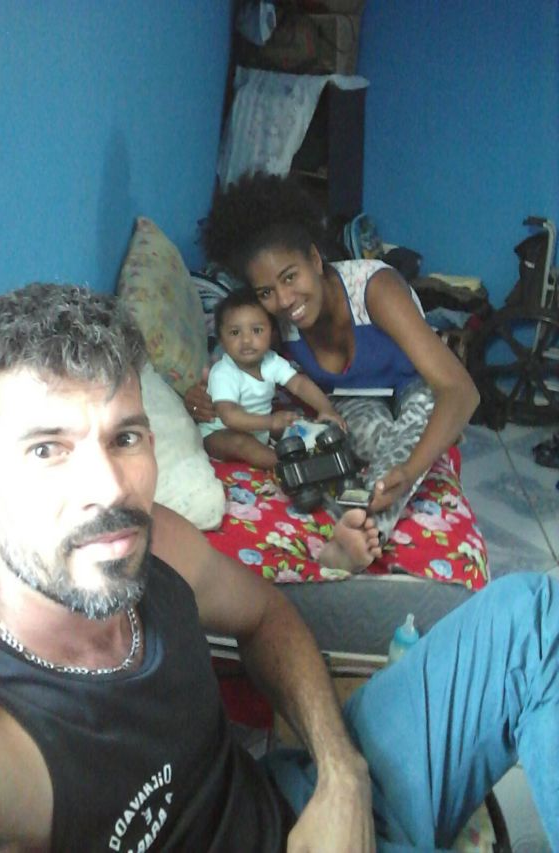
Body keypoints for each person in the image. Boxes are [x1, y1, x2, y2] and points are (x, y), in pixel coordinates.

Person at [0, 283, 557, 852]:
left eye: (125, 438)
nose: (109, 488)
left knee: (535, 618)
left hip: (296, 801)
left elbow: (265, 612)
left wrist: (341, 775)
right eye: (47, 449)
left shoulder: (154, 541)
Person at [186, 172, 481, 572]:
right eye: (266, 292)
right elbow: (229, 363)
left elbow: (461, 390)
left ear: (314, 258)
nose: (284, 300)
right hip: (354, 402)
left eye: (290, 277)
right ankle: (353, 513)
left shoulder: (374, 289)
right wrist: (199, 395)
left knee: (423, 420)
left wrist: (410, 469)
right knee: (339, 440)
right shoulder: (275, 320)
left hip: (418, 387)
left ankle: (362, 530)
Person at [200, 287, 345, 468]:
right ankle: (291, 467)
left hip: (260, 429)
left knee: (296, 423)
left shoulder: (271, 361)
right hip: (219, 433)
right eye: (235, 333)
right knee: (242, 443)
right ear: (221, 339)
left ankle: (322, 450)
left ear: (272, 333)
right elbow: (230, 417)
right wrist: (271, 422)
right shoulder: (223, 372)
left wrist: (326, 409)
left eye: (257, 330)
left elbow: (299, 384)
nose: (246, 340)